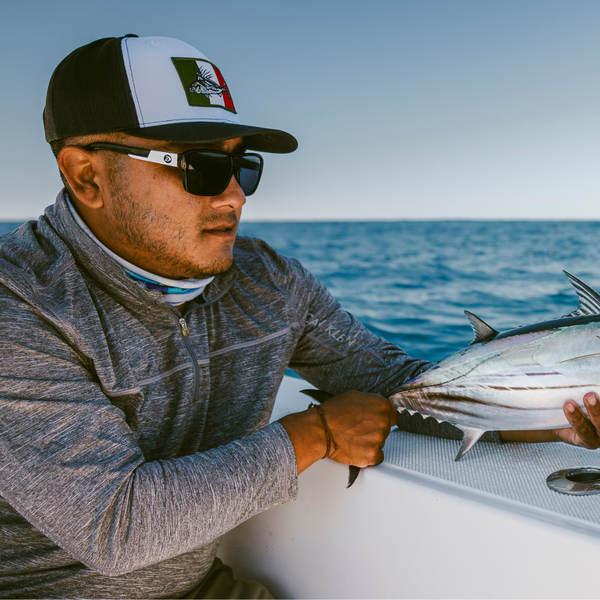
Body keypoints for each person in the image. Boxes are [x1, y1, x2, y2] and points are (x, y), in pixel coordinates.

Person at [0, 34, 598, 599]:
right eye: (201, 167)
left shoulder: (268, 283)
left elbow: (396, 383)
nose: (234, 195)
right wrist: (314, 433)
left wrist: (554, 416)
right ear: (86, 175)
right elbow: (116, 526)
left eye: (245, 166)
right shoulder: (17, 307)